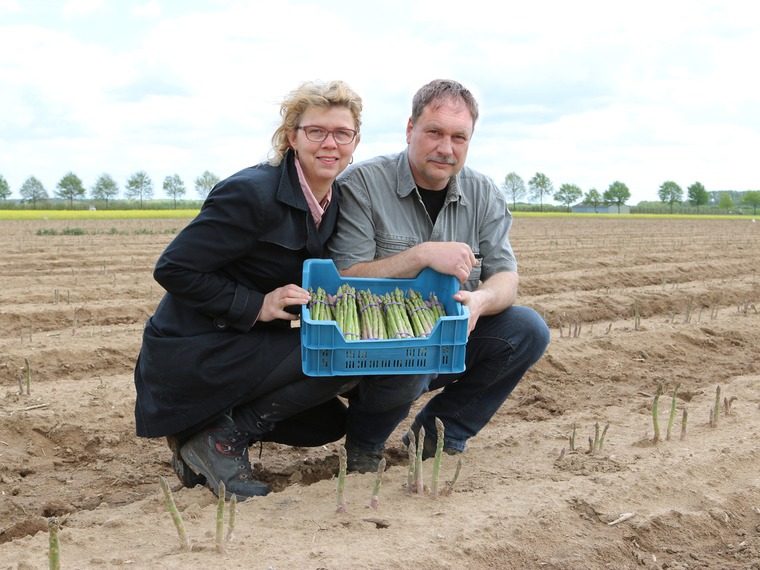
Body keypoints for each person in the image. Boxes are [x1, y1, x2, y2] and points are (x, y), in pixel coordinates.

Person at [134, 80, 364, 498]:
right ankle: (216, 441)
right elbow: (173, 267)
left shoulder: (332, 201)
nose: (330, 143)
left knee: (327, 424)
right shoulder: (252, 193)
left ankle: (201, 436)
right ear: (292, 137)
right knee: (340, 355)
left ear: (355, 141)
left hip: (247, 345)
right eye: (316, 131)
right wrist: (257, 305)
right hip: (199, 349)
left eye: (342, 133)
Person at [326, 79, 551, 473]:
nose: (446, 148)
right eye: (434, 132)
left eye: (458, 137)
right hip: (367, 342)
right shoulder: (361, 184)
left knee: (527, 329)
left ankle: (439, 433)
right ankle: (365, 444)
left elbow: (505, 277)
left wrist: (480, 300)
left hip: (446, 337)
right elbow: (346, 275)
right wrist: (422, 256)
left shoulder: (485, 194)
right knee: (413, 342)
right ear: (410, 128)